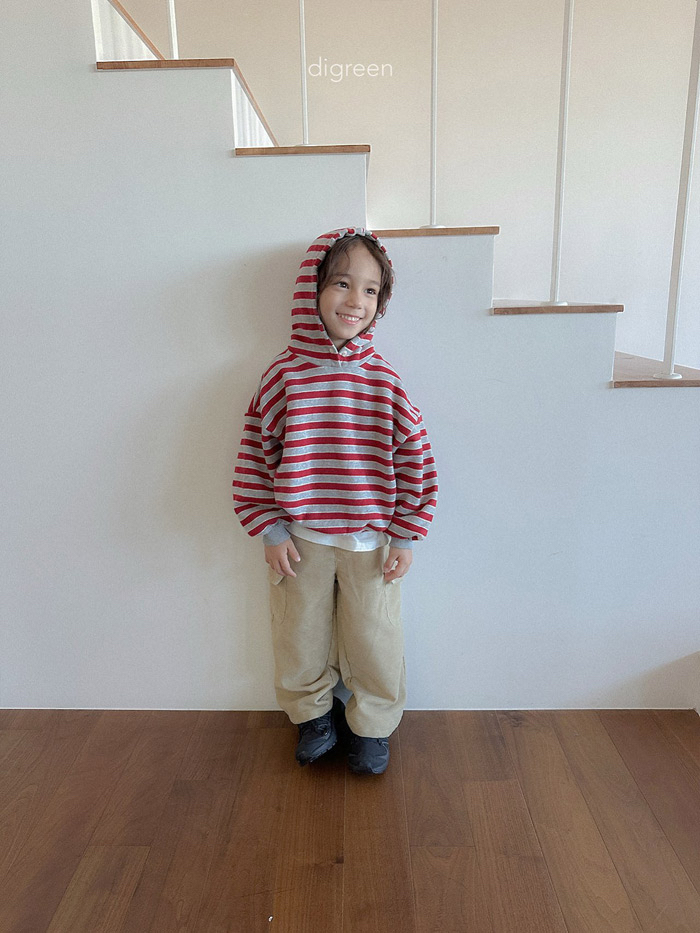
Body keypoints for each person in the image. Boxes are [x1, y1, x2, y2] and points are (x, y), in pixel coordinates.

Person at [233, 227, 437, 774]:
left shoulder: (385, 382)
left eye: (370, 290)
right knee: (298, 633)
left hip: (372, 543)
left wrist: (407, 533)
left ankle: (372, 725)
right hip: (300, 540)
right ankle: (312, 716)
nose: (355, 301)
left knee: (375, 637)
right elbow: (255, 454)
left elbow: (415, 459)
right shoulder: (283, 375)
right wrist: (269, 527)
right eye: (342, 283)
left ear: (381, 302)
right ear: (313, 289)